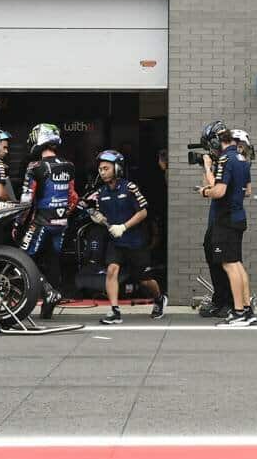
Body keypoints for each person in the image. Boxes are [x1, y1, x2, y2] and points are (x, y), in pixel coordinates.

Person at [94, 150, 167, 324]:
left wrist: (124, 226)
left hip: (135, 241)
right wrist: (98, 218)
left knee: (144, 280)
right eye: (100, 169)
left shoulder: (130, 188)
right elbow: (101, 214)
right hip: (116, 242)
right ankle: (115, 311)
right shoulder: (101, 193)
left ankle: (159, 298)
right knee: (112, 271)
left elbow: (143, 212)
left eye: (106, 168)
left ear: (117, 168)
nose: (102, 172)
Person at [198, 121, 256, 326]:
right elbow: (248, 190)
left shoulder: (225, 160)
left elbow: (219, 191)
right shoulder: (242, 159)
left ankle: (238, 312)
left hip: (226, 219)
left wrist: (205, 190)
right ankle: (246, 310)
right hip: (238, 217)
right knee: (237, 264)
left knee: (229, 265)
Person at [19, 123, 78, 319]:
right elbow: (73, 198)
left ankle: (47, 291)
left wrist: (18, 223)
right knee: (53, 261)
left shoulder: (35, 167)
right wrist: (62, 214)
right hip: (61, 223)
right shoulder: (69, 166)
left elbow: (26, 201)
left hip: (41, 221)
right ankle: (48, 306)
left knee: (23, 258)